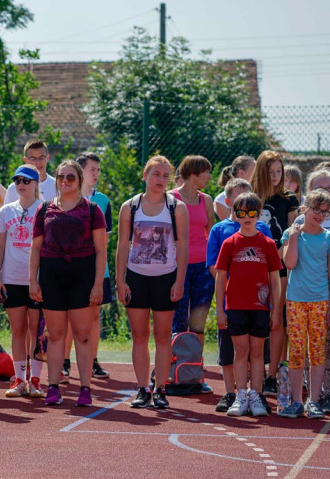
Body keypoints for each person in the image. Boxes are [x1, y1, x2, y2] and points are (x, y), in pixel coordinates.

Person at [29, 159, 107, 407]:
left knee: (83, 335)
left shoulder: (93, 210)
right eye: (61, 177)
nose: (64, 181)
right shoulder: (44, 210)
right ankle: (52, 387)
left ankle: (85, 388)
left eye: (70, 177)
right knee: (55, 335)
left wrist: (97, 284)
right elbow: (36, 248)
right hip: (52, 275)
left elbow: (101, 251)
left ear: (79, 180)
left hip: (83, 275)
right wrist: (34, 281)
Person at [116, 156, 188, 409]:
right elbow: (122, 245)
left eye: (165, 175)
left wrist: (179, 280)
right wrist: (120, 281)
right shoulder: (130, 207)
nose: (161, 180)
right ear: (145, 175)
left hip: (166, 276)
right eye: (156, 174)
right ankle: (142, 388)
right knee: (139, 334)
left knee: (162, 334)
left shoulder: (176, 208)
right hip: (136, 276)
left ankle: (160, 388)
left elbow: (182, 247)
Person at [206, 178, 274, 412]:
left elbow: (274, 276)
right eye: (242, 211)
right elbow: (219, 274)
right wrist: (221, 308)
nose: (247, 216)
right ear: (232, 209)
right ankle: (238, 396)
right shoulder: (226, 239)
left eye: (252, 212)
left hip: (260, 306)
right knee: (238, 352)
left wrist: (274, 305)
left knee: (256, 353)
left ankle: (256, 396)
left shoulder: (266, 239)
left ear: (259, 214)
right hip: (234, 304)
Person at [279, 190, 330, 419]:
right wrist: (293, 237)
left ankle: (313, 400)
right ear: (305, 209)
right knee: (296, 350)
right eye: (317, 209)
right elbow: (290, 263)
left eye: (325, 211)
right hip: (295, 301)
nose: (321, 215)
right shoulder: (290, 234)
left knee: (317, 351)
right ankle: (296, 400)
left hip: (320, 302)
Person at [0, 165, 45, 398]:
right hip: (11, 278)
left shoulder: (44, 210)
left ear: (36, 184)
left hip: (36, 280)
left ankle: (36, 380)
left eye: (26, 180)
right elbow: (0, 246)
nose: (21, 184)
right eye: (17, 181)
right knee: (18, 330)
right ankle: (19, 379)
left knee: (36, 331)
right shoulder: (6, 211)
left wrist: (42, 279)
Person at [250, 150, 299, 392]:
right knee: (253, 318)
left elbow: (290, 234)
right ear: (262, 172)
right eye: (271, 172)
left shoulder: (289, 199)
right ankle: (252, 370)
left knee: (277, 319)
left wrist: (278, 257)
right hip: (251, 267)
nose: (277, 176)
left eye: (279, 171)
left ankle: (272, 375)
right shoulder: (250, 198)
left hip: (278, 267)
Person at [62, 152, 113, 380]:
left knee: (94, 317)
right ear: (80, 171)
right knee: (71, 316)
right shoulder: (64, 199)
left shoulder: (103, 201)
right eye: (92, 169)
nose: (96, 174)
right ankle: (64, 361)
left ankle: (93, 361)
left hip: (98, 270)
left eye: (98, 170)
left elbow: (106, 240)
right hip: (72, 269)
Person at [171, 155, 215, 342]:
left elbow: (211, 235)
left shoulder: (206, 200)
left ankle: (194, 364)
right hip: (176, 267)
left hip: (203, 268)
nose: (209, 177)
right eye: (206, 172)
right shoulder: (171, 198)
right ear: (193, 173)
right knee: (177, 320)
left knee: (198, 321)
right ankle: (174, 362)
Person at [2, 139, 57, 204]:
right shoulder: (13, 188)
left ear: (47, 158)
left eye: (41, 157)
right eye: (33, 158)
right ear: (25, 160)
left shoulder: (57, 186)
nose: (38, 162)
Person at [213, 156, 256, 220]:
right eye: (254, 171)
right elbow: (231, 226)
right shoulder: (220, 200)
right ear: (241, 173)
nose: (257, 174)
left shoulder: (259, 192)